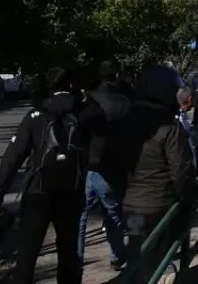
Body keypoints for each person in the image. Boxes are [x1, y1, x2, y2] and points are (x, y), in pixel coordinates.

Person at [0, 68, 88, 284]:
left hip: (38, 190)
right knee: (68, 249)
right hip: (72, 190)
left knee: (28, 250)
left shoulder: (36, 114)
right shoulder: (84, 112)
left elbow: (13, 156)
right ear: (72, 84)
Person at [109, 66, 196, 265]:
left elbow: (111, 162)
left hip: (132, 206)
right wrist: (185, 200)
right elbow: (181, 171)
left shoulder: (125, 121)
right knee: (160, 260)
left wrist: (123, 193)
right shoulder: (170, 128)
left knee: (137, 256)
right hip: (160, 207)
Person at [76, 62, 131, 271]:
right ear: (116, 75)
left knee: (80, 216)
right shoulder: (124, 102)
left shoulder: (87, 101)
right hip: (112, 165)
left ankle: (76, 261)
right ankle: (117, 254)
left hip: (87, 165)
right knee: (113, 212)